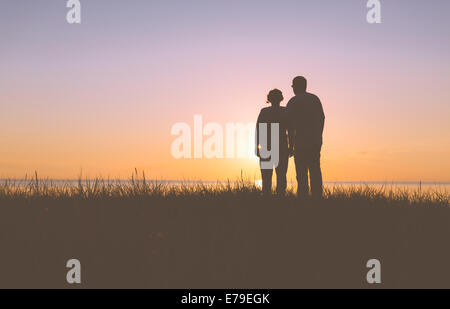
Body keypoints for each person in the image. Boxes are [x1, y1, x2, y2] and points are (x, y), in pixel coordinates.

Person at [286, 76, 325, 199]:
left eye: (293, 86)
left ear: (296, 87)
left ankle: (303, 199)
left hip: (300, 143)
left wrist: (290, 145)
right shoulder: (314, 99)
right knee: (315, 171)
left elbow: (289, 125)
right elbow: (322, 118)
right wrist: (319, 136)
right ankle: (317, 199)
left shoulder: (293, 102)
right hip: (314, 142)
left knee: (301, 174)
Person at [256, 89, 290, 195]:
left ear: (269, 99)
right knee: (281, 176)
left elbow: (259, 129)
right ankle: (280, 199)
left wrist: (257, 147)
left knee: (266, 178)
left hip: (267, 145)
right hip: (281, 146)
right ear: (281, 98)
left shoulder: (265, 111)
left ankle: (267, 200)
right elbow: (291, 130)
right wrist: (292, 146)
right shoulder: (285, 111)